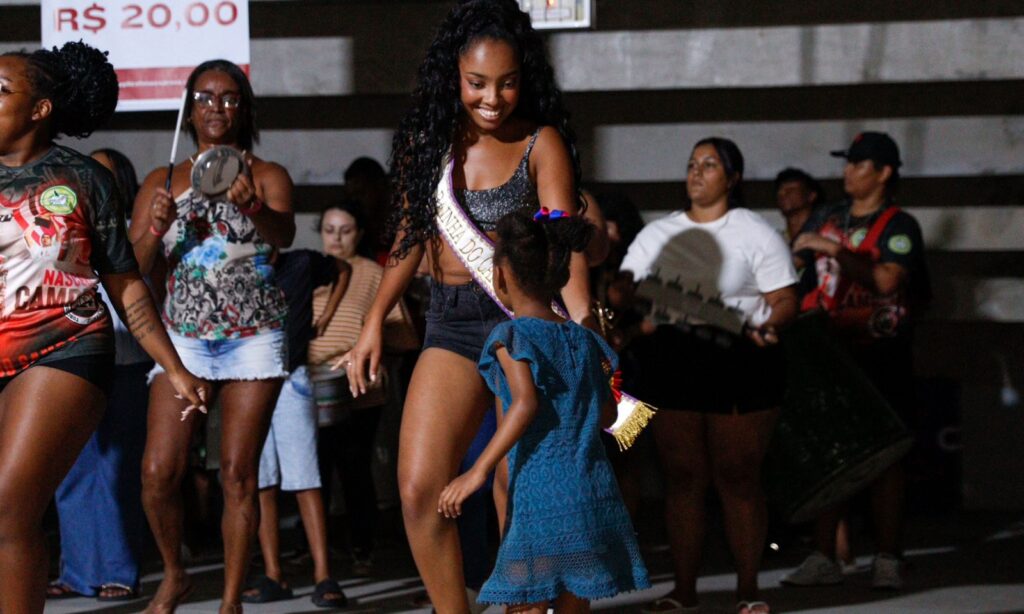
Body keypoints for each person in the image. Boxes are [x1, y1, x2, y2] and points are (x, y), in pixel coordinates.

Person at [339, 2, 594, 611]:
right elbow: (408, 238)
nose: (493, 97)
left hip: (524, 325)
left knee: (520, 488)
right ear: (452, 77)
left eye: (507, 82)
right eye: (477, 83)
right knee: (418, 488)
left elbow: (564, 247)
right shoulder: (428, 145)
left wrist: (581, 326)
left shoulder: (541, 142)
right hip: (450, 322)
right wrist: (375, 320)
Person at [0, 42, 209, 614]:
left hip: (62, 347)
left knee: (10, 505)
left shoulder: (84, 177)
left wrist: (174, 367)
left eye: (1, 89)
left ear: (39, 108)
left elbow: (126, 284)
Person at [129, 58, 295, 613]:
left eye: (227, 98)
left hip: (254, 338)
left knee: (239, 475)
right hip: (184, 343)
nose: (215, 107)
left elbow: (283, 236)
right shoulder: (163, 179)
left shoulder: (265, 173)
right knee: (159, 471)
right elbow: (131, 266)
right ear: (188, 107)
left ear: (243, 107)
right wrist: (156, 224)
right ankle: (176, 574)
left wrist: (251, 204)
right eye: (204, 97)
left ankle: (230, 603)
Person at [617, 137, 798, 614]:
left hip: (741, 361)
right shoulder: (661, 233)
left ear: (732, 178)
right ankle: (685, 591)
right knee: (683, 477)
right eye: (692, 164)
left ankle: (747, 591)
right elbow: (624, 288)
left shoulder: (755, 232)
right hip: (675, 361)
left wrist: (771, 325)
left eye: (710, 164)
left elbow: (784, 299)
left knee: (738, 476)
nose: (697, 172)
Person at [439, 209, 650, 611]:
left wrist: (476, 472)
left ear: (500, 277)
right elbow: (610, 416)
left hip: (539, 494)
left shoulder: (511, 336)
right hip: (591, 490)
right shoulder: (585, 340)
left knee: (525, 603)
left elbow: (524, 403)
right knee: (575, 600)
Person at [783, 132, 930, 590]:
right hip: (830, 354)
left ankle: (887, 555)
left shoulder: (899, 225)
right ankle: (825, 555)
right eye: (847, 163)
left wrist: (835, 252)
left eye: (859, 164)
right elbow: (803, 277)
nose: (848, 171)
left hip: (880, 353)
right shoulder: (829, 216)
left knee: (886, 457)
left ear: (884, 172)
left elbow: (887, 280)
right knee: (832, 453)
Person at [46, 148, 152, 603]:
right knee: (71, 470)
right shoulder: (61, 227)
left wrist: (153, 230)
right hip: (73, 363)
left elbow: (140, 277)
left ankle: (119, 570)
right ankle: (76, 571)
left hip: (126, 363)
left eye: (100, 175)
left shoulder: (138, 230)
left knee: (115, 472)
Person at [241, 218, 352, 607]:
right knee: (262, 482)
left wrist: (325, 317)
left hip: (291, 377)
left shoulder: (300, 263)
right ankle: (275, 573)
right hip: (248, 380)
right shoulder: (238, 271)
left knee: (305, 478)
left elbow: (344, 268)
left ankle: (324, 575)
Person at [310, 200, 417, 577]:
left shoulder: (374, 273)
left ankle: (361, 547)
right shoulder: (308, 267)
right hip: (310, 383)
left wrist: (366, 340)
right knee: (313, 469)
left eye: (346, 230)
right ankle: (316, 552)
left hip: (359, 382)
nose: (337, 238)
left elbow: (406, 335)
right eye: (329, 230)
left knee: (353, 464)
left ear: (358, 234)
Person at [774, 167, 825, 245]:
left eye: (791, 190)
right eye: (780, 190)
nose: (782, 193)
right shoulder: (776, 241)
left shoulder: (826, 237)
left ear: (811, 196)